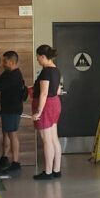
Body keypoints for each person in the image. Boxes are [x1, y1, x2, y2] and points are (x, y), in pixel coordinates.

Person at [32, 44, 62, 180]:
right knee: (54, 138)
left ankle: (48, 172)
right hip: (55, 103)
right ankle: (57, 170)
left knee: (47, 140)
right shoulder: (56, 70)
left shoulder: (46, 72)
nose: (37, 60)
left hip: (46, 106)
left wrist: (39, 111)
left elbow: (44, 93)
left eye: (38, 57)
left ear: (43, 56)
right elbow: (57, 90)